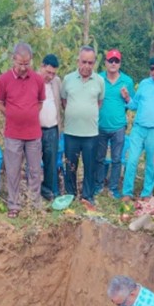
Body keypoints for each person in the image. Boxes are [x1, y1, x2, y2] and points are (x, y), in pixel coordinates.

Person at [0, 42, 45, 218]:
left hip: (33, 134)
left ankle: (34, 203)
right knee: (13, 170)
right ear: (13, 59)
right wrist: (12, 114)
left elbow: (40, 102)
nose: (23, 68)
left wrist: (29, 114)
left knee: (35, 170)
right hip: (13, 133)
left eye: (27, 64)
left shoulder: (38, 79)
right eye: (20, 63)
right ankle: (14, 204)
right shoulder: (4, 80)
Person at [121, 55, 154, 202]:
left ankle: (146, 194)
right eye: (152, 69)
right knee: (131, 160)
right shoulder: (144, 83)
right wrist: (126, 98)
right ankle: (127, 192)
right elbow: (135, 105)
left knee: (152, 164)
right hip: (139, 128)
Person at [61, 45, 105, 209]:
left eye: (90, 63)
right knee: (70, 165)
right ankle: (71, 194)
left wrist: (86, 112)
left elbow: (99, 102)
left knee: (90, 165)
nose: (86, 66)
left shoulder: (99, 81)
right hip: (71, 132)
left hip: (91, 133)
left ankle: (87, 195)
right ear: (77, 61)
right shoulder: (68, 79)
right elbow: (64, 101)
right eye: (84, 62)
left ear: (94, 63)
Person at [95, 49, 134, 199]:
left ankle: (113, 188)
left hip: (118, 126)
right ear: (105, 62)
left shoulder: (127, 81)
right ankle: (98, 186)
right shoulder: (98, 79)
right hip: (100, 125)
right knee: (99, 158)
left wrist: (127, 97)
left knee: (117, 159)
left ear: (120, 64)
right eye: (110, 60)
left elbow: (132, 104)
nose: (113, 63)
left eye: (116, 61)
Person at [38, 54, 63, 201]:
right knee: (34, 163)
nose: (50, 76)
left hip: (52, 128)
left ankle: (48, 191)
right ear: (42, 66)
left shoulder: (57, 82)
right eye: (48, 72)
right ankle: (33, 191)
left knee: (51, 162)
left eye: (53, 73)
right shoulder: (33, 81)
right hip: (35, 129)